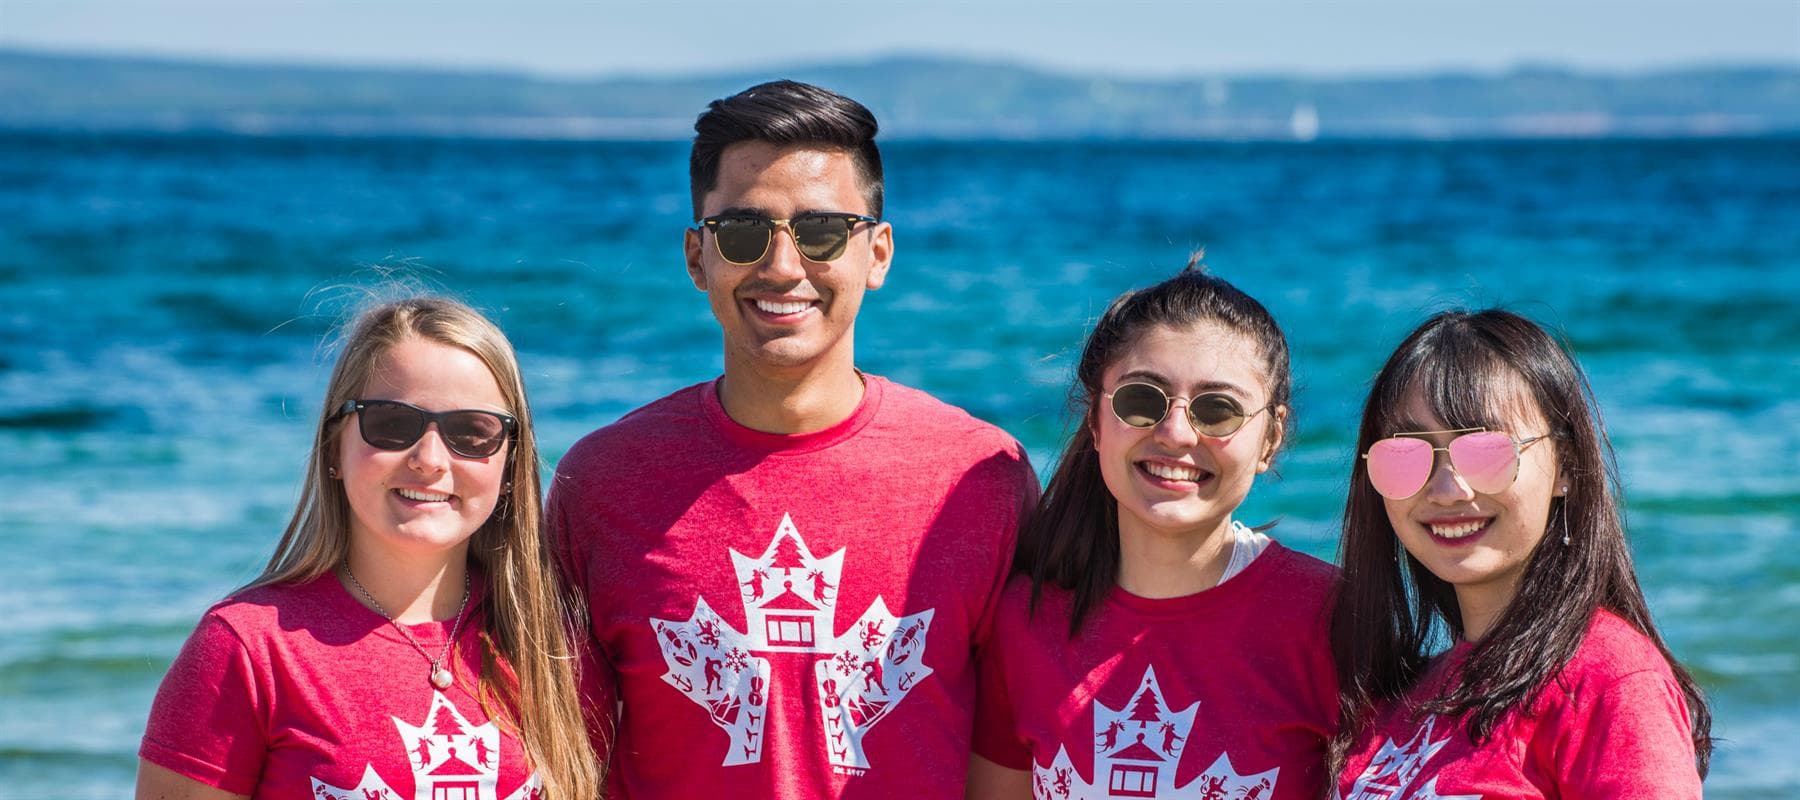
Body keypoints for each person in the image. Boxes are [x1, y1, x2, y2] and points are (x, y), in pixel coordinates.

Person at [548, 80, 1037, 798]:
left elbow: (1013, 751)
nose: (782, 267)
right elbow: (566, 761)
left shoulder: (980, 478)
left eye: (822, 231)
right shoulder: (602, 483)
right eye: (744, 232)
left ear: (877, 254)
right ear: (697, 257)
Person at [138, 297, 600, 800]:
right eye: (391, 423)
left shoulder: (554, 647)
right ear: (334, 447)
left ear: (510, 463)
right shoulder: (248, 649)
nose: (429, 459)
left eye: (472, 432)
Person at [969, 264, 1339, 799]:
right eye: (1141, 400)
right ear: (1095, 420)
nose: (1176, 433)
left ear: (1270, 438)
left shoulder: (1333, 621)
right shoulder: (1025, 623)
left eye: (1218, 411)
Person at [1328, 309, 1712, 798]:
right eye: (1406, 454)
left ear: (1565, 467)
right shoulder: (1394, 700)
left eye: (1486, 451)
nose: (1447, 490)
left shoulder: (1608, 680)